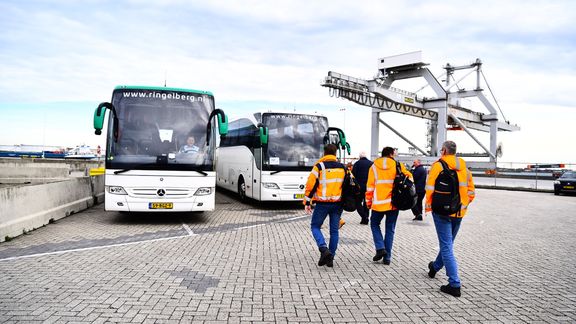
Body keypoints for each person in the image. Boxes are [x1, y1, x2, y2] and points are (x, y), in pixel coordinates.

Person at [425, 141, 475, 297]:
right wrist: (462, 205)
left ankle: (454, 284)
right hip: (459, 213)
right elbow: (471, 191)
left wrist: (430, 206)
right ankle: (435, 266)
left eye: (441, 150)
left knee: (446, 246)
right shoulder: (464, 167)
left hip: (441, 212)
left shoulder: (438, 165)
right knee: (448, 244)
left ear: (444, 150)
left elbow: (430, 188)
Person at [366, 147, 413, 265]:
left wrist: (368, 202)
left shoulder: (374, 166)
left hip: (378, 203)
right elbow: (410, 178)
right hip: (393, 203)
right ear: (391, 154)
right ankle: (387, 258)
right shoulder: (398, 165)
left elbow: (370, 186)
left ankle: (380, 248)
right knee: (390, 229)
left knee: (374, 224)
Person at [303, 144, 346, 268]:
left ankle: (323, 249)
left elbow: (310, 185)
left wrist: (307, 201)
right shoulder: (343, 167)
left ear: (324, 153)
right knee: (334, 231)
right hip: (338, 203)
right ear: (335, 153)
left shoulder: (319, 167)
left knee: (315, 226)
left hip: (322, 203)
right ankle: (330, 257)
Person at [352, 152, 373, 225]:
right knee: (366, 203)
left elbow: (353, 176)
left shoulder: (356, 164)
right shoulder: (371, 163)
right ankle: (366, 217)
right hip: (368, 187)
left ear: (359, 157)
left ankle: (364, 217)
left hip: (359, 187)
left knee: (358, 203)